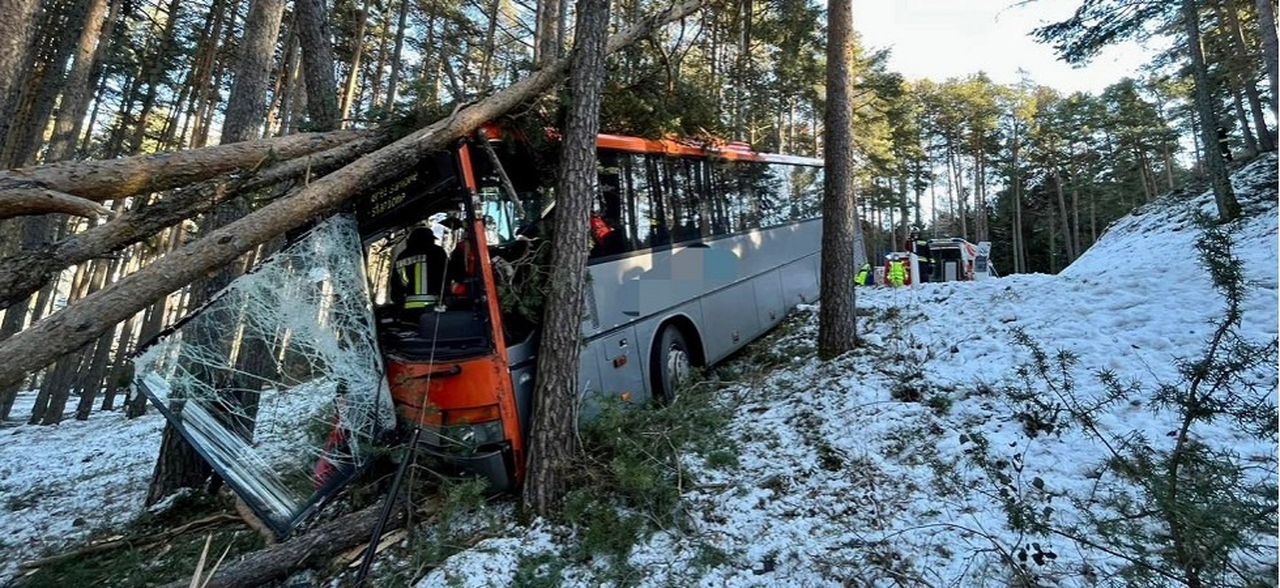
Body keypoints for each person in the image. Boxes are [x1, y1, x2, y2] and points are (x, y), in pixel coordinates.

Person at [390, 227, 448, 311]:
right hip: (433, 306)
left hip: (410, 306)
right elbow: (445, 275)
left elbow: (397, 283)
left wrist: (399, 303)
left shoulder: (402, 256)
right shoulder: (437, 252)